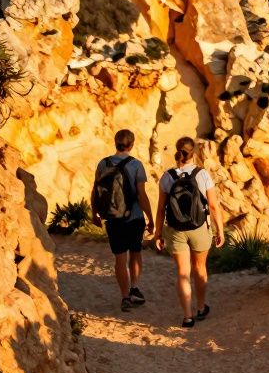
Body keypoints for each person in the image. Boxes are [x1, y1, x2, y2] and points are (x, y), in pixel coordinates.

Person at [154, 137, 225, 328]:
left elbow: (161, 208)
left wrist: (157, 233)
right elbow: (213, 205)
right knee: (200, 268)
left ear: (177, 151)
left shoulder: (167, 177)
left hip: (175, 230)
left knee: (182, 272)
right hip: (199, 228)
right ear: (194, 153)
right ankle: (201, 308)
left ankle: (187, 316)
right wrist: (220, 230)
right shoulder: (202, 174)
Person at [90, 129, 153, 312]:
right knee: (135, 253)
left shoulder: (103, 163)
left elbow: (95, 190)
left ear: (115, 143)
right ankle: (134, 288)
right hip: (134, 218)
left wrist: (95, 214)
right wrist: (150, 217)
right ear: (131, 145)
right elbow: (141, 195)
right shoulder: (136, 165)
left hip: (112, 218)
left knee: (120, 258)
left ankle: (125, 297)